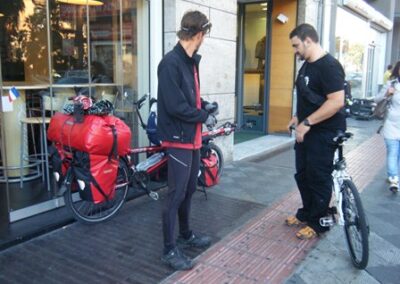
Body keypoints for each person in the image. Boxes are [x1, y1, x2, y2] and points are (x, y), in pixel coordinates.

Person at [157, 11, 217, 271]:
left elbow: (189, 99)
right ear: (200, 34)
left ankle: (185, 234)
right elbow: (174, 106)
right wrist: (204, 115)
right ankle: (169, 250)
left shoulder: (190, 61)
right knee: (175, 194)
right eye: (205, 35)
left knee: (190, 189)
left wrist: (205, 105)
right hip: (178, 138)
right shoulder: (170, 63)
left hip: (191, 138)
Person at [286, 24, 346, 240]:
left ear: (308, 40)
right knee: (302, 174)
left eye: (296, 46)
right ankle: (306, 213)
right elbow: (307, 96)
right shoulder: (307, 66)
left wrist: (307, 122)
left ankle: (318, 222)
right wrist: (297, 117)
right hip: (307, 130)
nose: (295, 51)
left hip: (324, 132)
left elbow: (336, 102)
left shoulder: (329, 66)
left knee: (318, 177)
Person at [375, 61, 400, 192]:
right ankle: (394, 178)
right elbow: (376, 99)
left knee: (398, 154)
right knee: (393, 151)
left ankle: (394, 174)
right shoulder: (392, 84)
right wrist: (387, 94)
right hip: (391, 124)